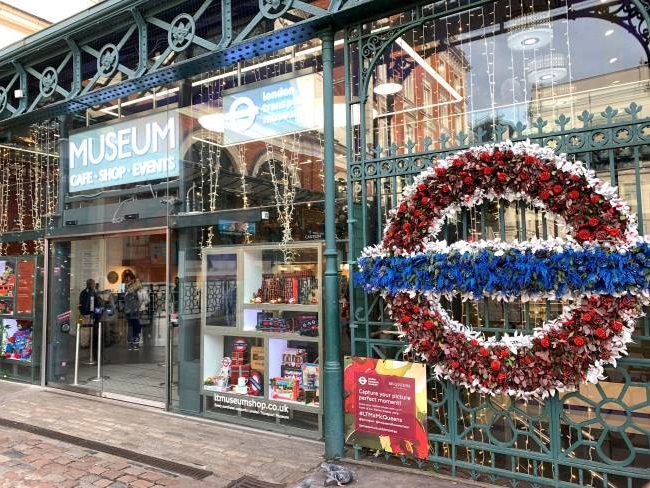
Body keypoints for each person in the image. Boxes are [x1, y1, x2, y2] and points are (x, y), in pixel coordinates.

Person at [123, 270, 143, 350]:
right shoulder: (124, 287)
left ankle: (135, 343)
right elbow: (122, 296)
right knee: (132, 326)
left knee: (136, 326)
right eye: (126, 279)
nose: (128, 280)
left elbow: (141, 297)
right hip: (129, 310)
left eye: (129, 279)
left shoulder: (136, 287)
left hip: (134, 310)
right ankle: (131, 343)